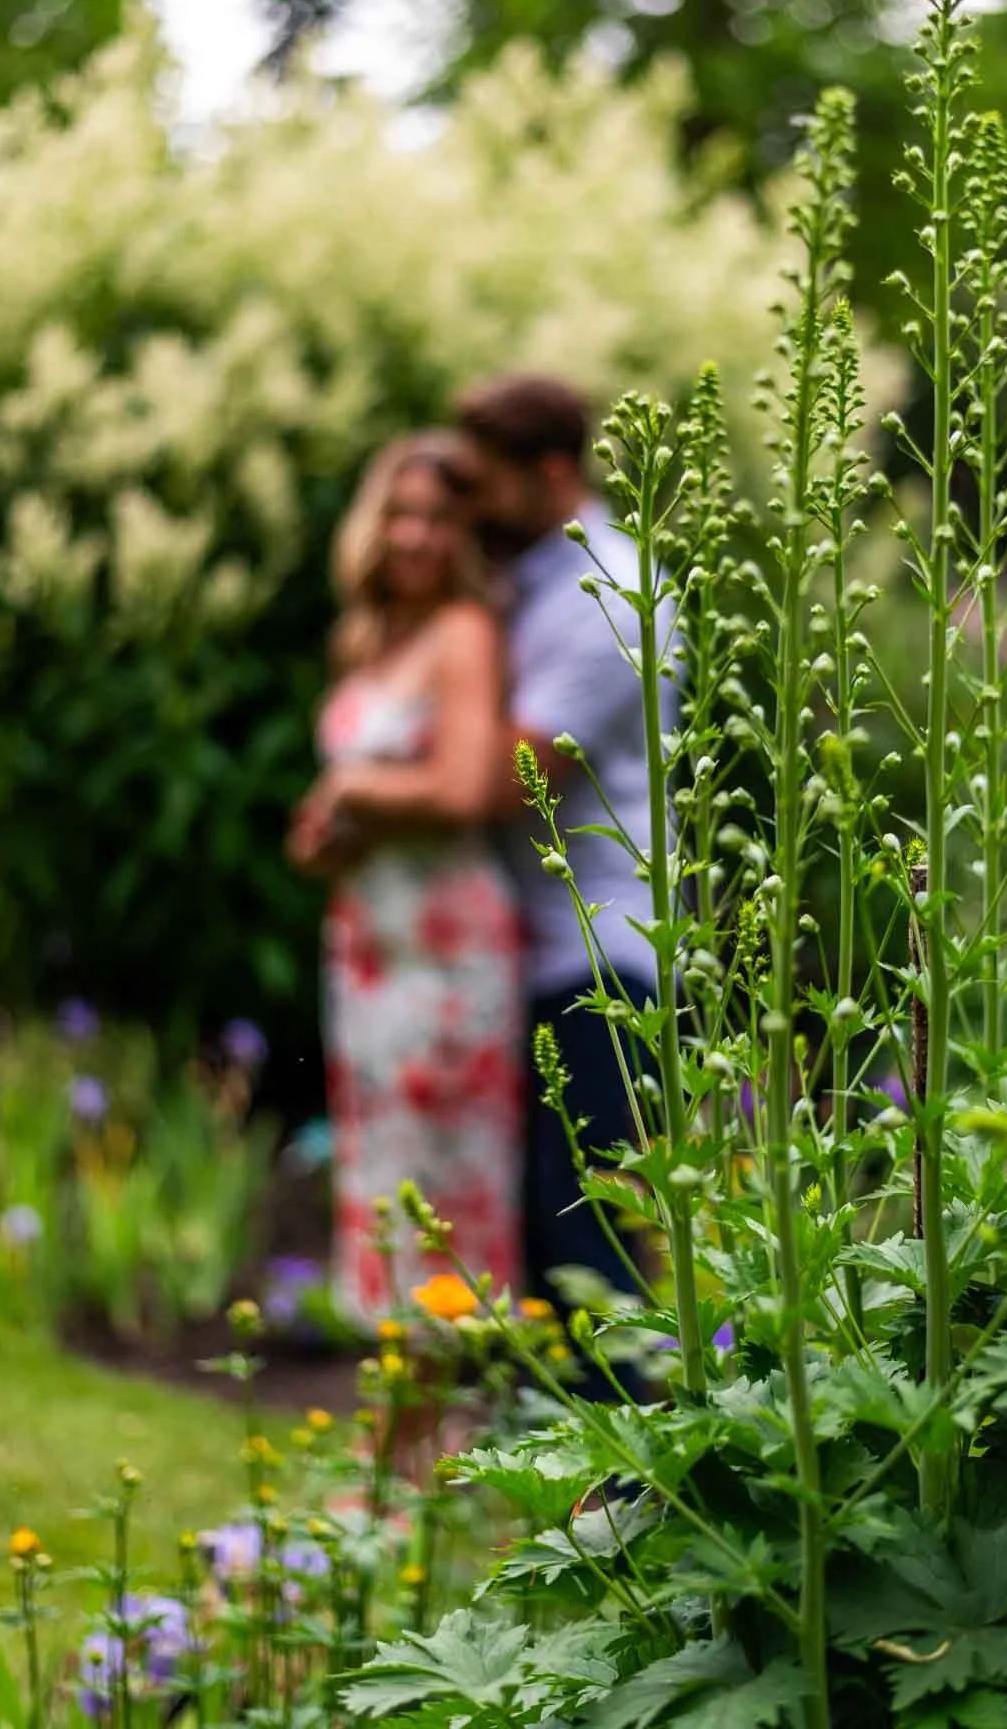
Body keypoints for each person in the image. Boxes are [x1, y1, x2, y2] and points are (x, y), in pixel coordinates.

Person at [286, 433, 522, 1331]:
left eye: (435, 519)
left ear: (461, 536)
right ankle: (395, 1437)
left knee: (445, 1192)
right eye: (399, 515)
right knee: (381, 1179)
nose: (415, 537)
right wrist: (324, 835)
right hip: (368, 945)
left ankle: (445, 1433)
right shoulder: (369, 639)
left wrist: (352, 786)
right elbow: (363, 800)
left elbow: (463, 787)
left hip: (446, 952)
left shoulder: (465, 635)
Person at [453, 373, 673, 1330]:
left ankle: (628, 1478)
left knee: (588, 1236)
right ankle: (567, 1467)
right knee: (543, 1237)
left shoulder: (609, 590)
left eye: (484, 480)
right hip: (531, 947)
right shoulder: (526, 585)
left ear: (549, 472)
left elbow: (512, 776)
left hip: (597, 952)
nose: (473, 504)